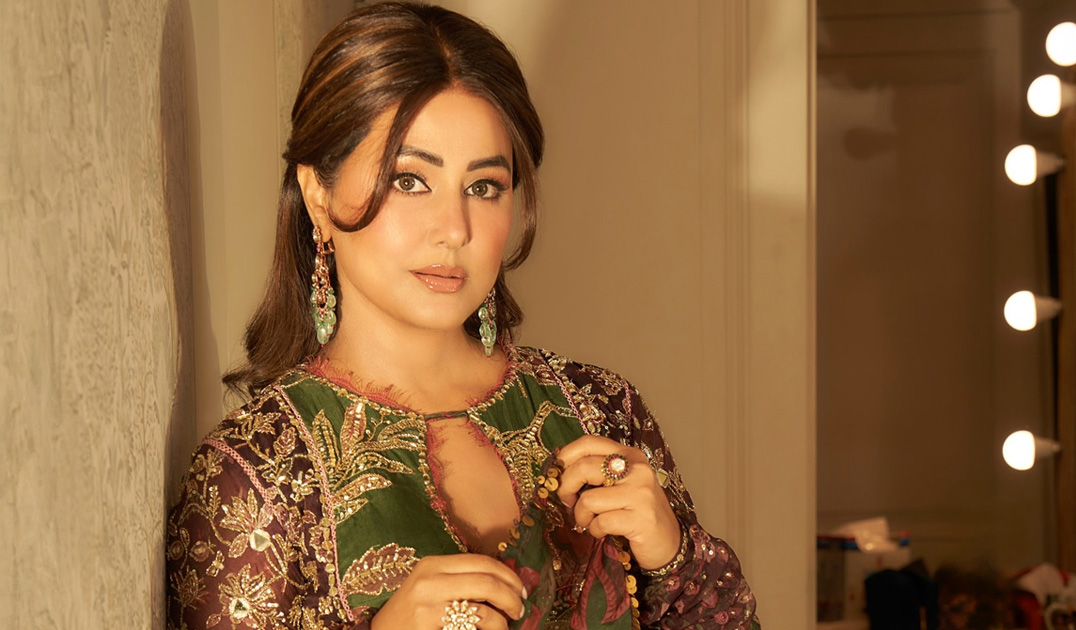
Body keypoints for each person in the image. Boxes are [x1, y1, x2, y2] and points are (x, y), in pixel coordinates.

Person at [165, 3, 759, 629]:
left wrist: (673, 558)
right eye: (409, 180)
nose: (455, 229)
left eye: (483, 187)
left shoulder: (600, 410)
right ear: (318, 192)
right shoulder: (255, 479)